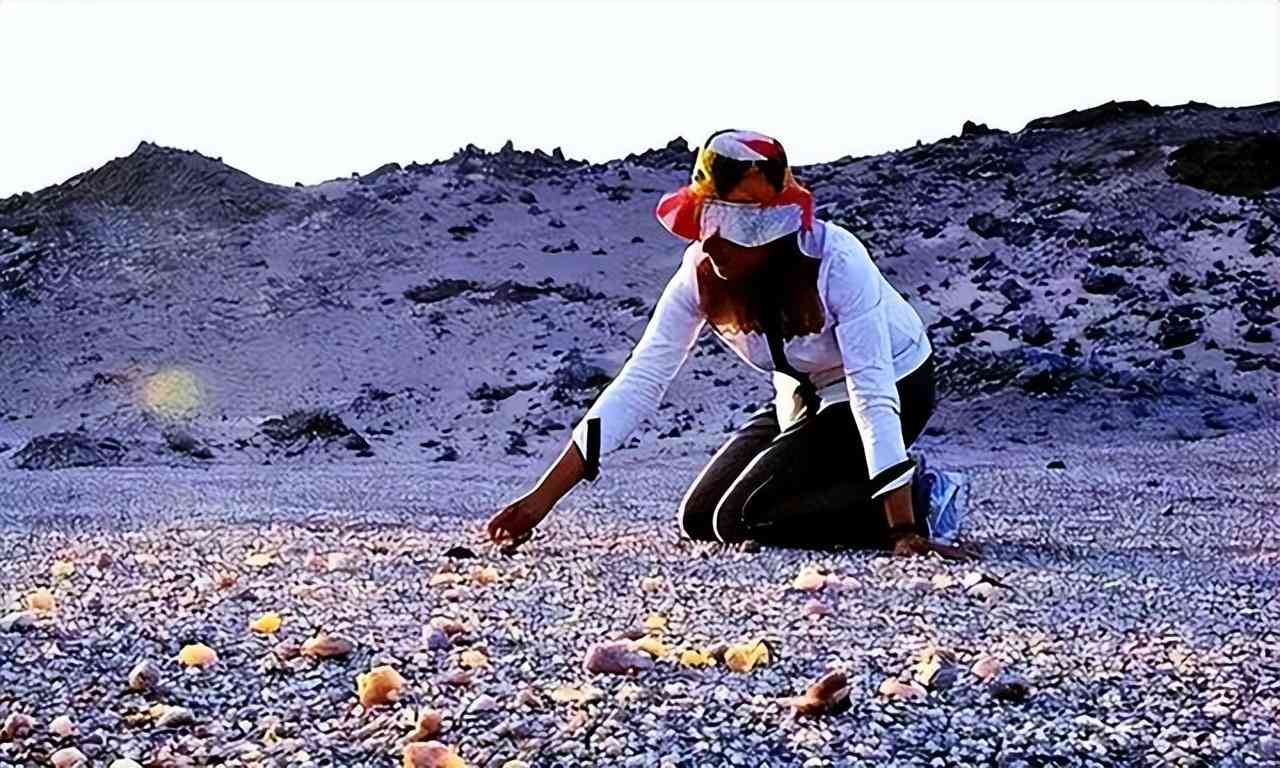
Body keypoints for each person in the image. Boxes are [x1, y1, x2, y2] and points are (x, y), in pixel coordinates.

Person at [487, 129, 974, 559]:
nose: (712, 242)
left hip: (896, 383)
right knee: (701, 519)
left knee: (747, 515)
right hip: (800, 394)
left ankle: (922, 497)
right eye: (706, 219)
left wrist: (903, 529)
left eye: (737, 226)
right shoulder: (700, 272)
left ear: (776, 231)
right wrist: (539, 502)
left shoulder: (837, 261)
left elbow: (872, 390)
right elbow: (641, 379)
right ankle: (857, 486)